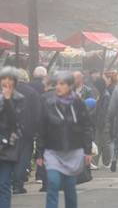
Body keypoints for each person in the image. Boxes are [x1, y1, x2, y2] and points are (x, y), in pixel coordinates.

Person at [36, 71, 93, 208]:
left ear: (70, 86)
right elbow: (42, 128)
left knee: (69, 187)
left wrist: (88, 150)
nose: (58, 87)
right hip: (53, 150)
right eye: (56, 84)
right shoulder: (48, 102)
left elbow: (86, 126)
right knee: (53, 183)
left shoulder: (78, 103)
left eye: (62, 84)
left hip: (73, 150)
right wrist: (39, 153)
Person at [0, 67, 25, 208]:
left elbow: (15, 121)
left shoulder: (19, 99)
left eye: (10, 79)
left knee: (3, 183)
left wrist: (8, 100)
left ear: (15, 82)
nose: (7, 82)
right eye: (4, 78)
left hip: (8, 145)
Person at [13, 69, 41, 195]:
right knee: (23, 157)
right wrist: (36, 130)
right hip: (27, 131)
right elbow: (37, 114)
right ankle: (18, 185)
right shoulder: (32, 93)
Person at [91, 77, 112, 169]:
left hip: (103, 122)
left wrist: (100, 122)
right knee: (98, 142)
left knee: (104, 142)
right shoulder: (102, 94)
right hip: (101, 122)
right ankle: (96, 162)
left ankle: (106, 162)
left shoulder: (105, 96)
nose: (94, 88)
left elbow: (103, 111)